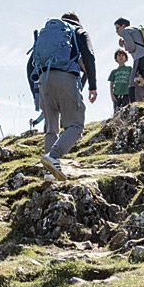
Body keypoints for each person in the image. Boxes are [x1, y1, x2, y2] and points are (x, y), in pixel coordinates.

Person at [27, 11, 98, 180]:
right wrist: (92, 86)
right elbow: (89, 56)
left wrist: (36, 92)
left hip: (43, 80)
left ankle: (49, 172)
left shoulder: (47, 35)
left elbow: (29, 66)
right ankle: (54, 156)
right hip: (66, 77)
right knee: (75, 125)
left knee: (51, 128)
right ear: (77, 22)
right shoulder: (79, 32)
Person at [114, 18, 144, 104]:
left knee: (134, 83)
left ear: (123, 26)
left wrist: (123, 45)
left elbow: (132, 47)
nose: (116, 31)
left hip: (141, 58)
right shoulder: (136, 30)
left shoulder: (125, 31)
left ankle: (137, 106)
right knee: (142, 82)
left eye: (117, 28)